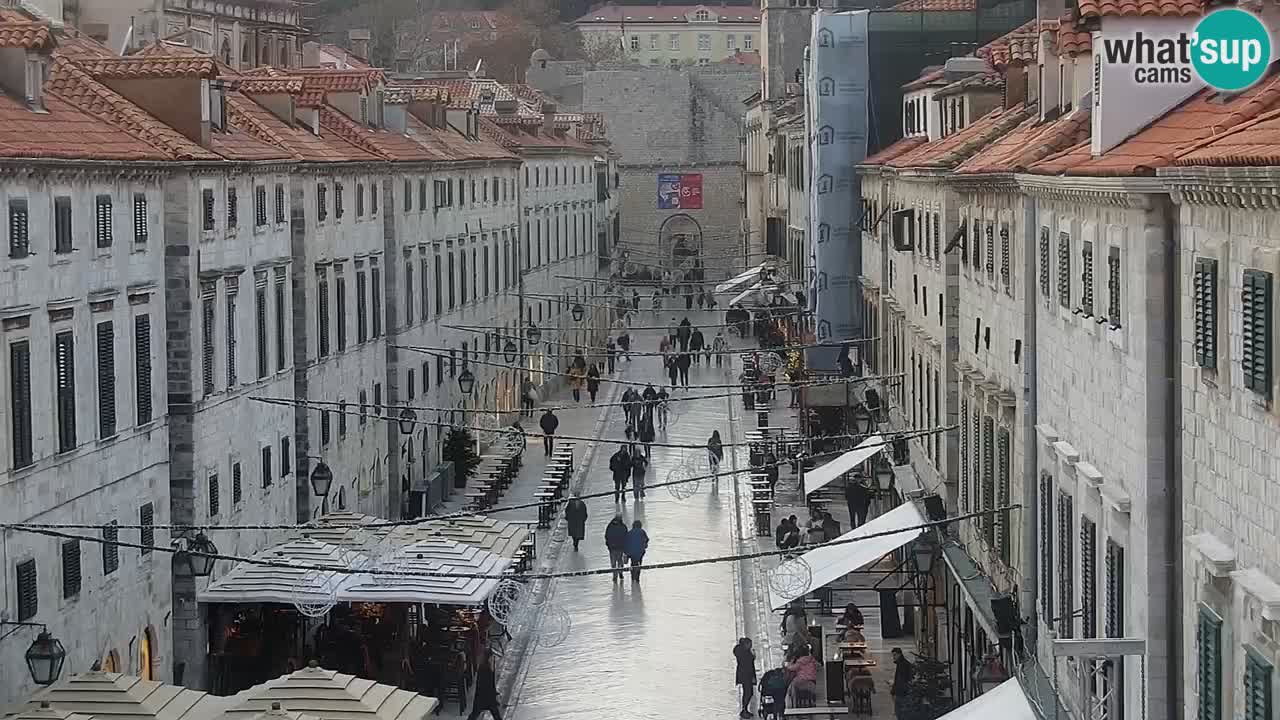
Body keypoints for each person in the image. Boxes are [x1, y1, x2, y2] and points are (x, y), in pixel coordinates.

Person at [467, 653, 503, 720]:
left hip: (484, 698)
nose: (493, 661)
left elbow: (491, 684)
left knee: (475, 714)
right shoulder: (485, 669)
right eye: (492, 659)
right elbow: (487, 684)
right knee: (495, 715)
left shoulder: (486, 668)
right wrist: (493, 695)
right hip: (485, 697)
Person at [733, 638, 756, 719]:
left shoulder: (743, 652)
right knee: (748, 693)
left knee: (748, 693)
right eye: (750, 644)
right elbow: (748, 663)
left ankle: (745, 709)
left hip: (746, 675)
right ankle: (744, 710)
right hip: (746, 676)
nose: (751, 646)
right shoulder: (744, 653)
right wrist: (753, 656)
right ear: (745, 644)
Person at [605, 515, 628, 583]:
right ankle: (620, 573)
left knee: (613, 562)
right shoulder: (623, 526)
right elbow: (626, 537)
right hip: (620, 547)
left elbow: (606, 536)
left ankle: (615, 575)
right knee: (620, 560)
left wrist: (608, 544)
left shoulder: (610, 526)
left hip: (612, 548)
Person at [891, 648, 914, 717]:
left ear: (899, 654)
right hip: (903, 691)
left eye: (895, 655)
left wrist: (894, 690)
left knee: (900, 713)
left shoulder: (902, 665)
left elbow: (900, 680)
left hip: (901, 693)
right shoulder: (902, 663)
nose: (893, 657)